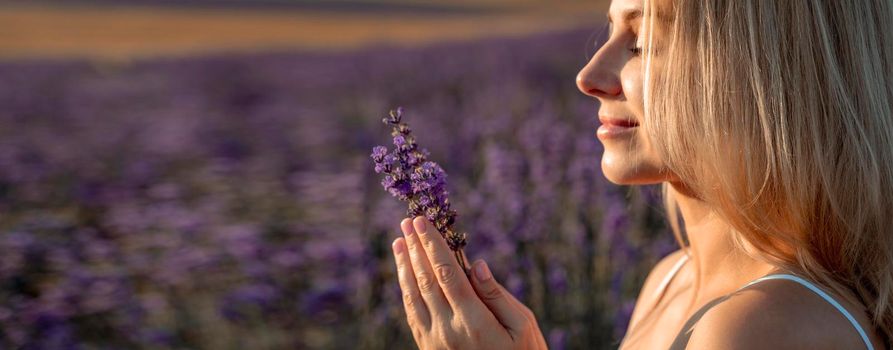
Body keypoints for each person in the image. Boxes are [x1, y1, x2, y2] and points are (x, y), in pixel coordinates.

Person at [390, 0, 892, 348]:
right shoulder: (669, 280)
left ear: (763, 72)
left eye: (643, 41)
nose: (589, 77)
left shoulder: (757, 328)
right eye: (611, 31)